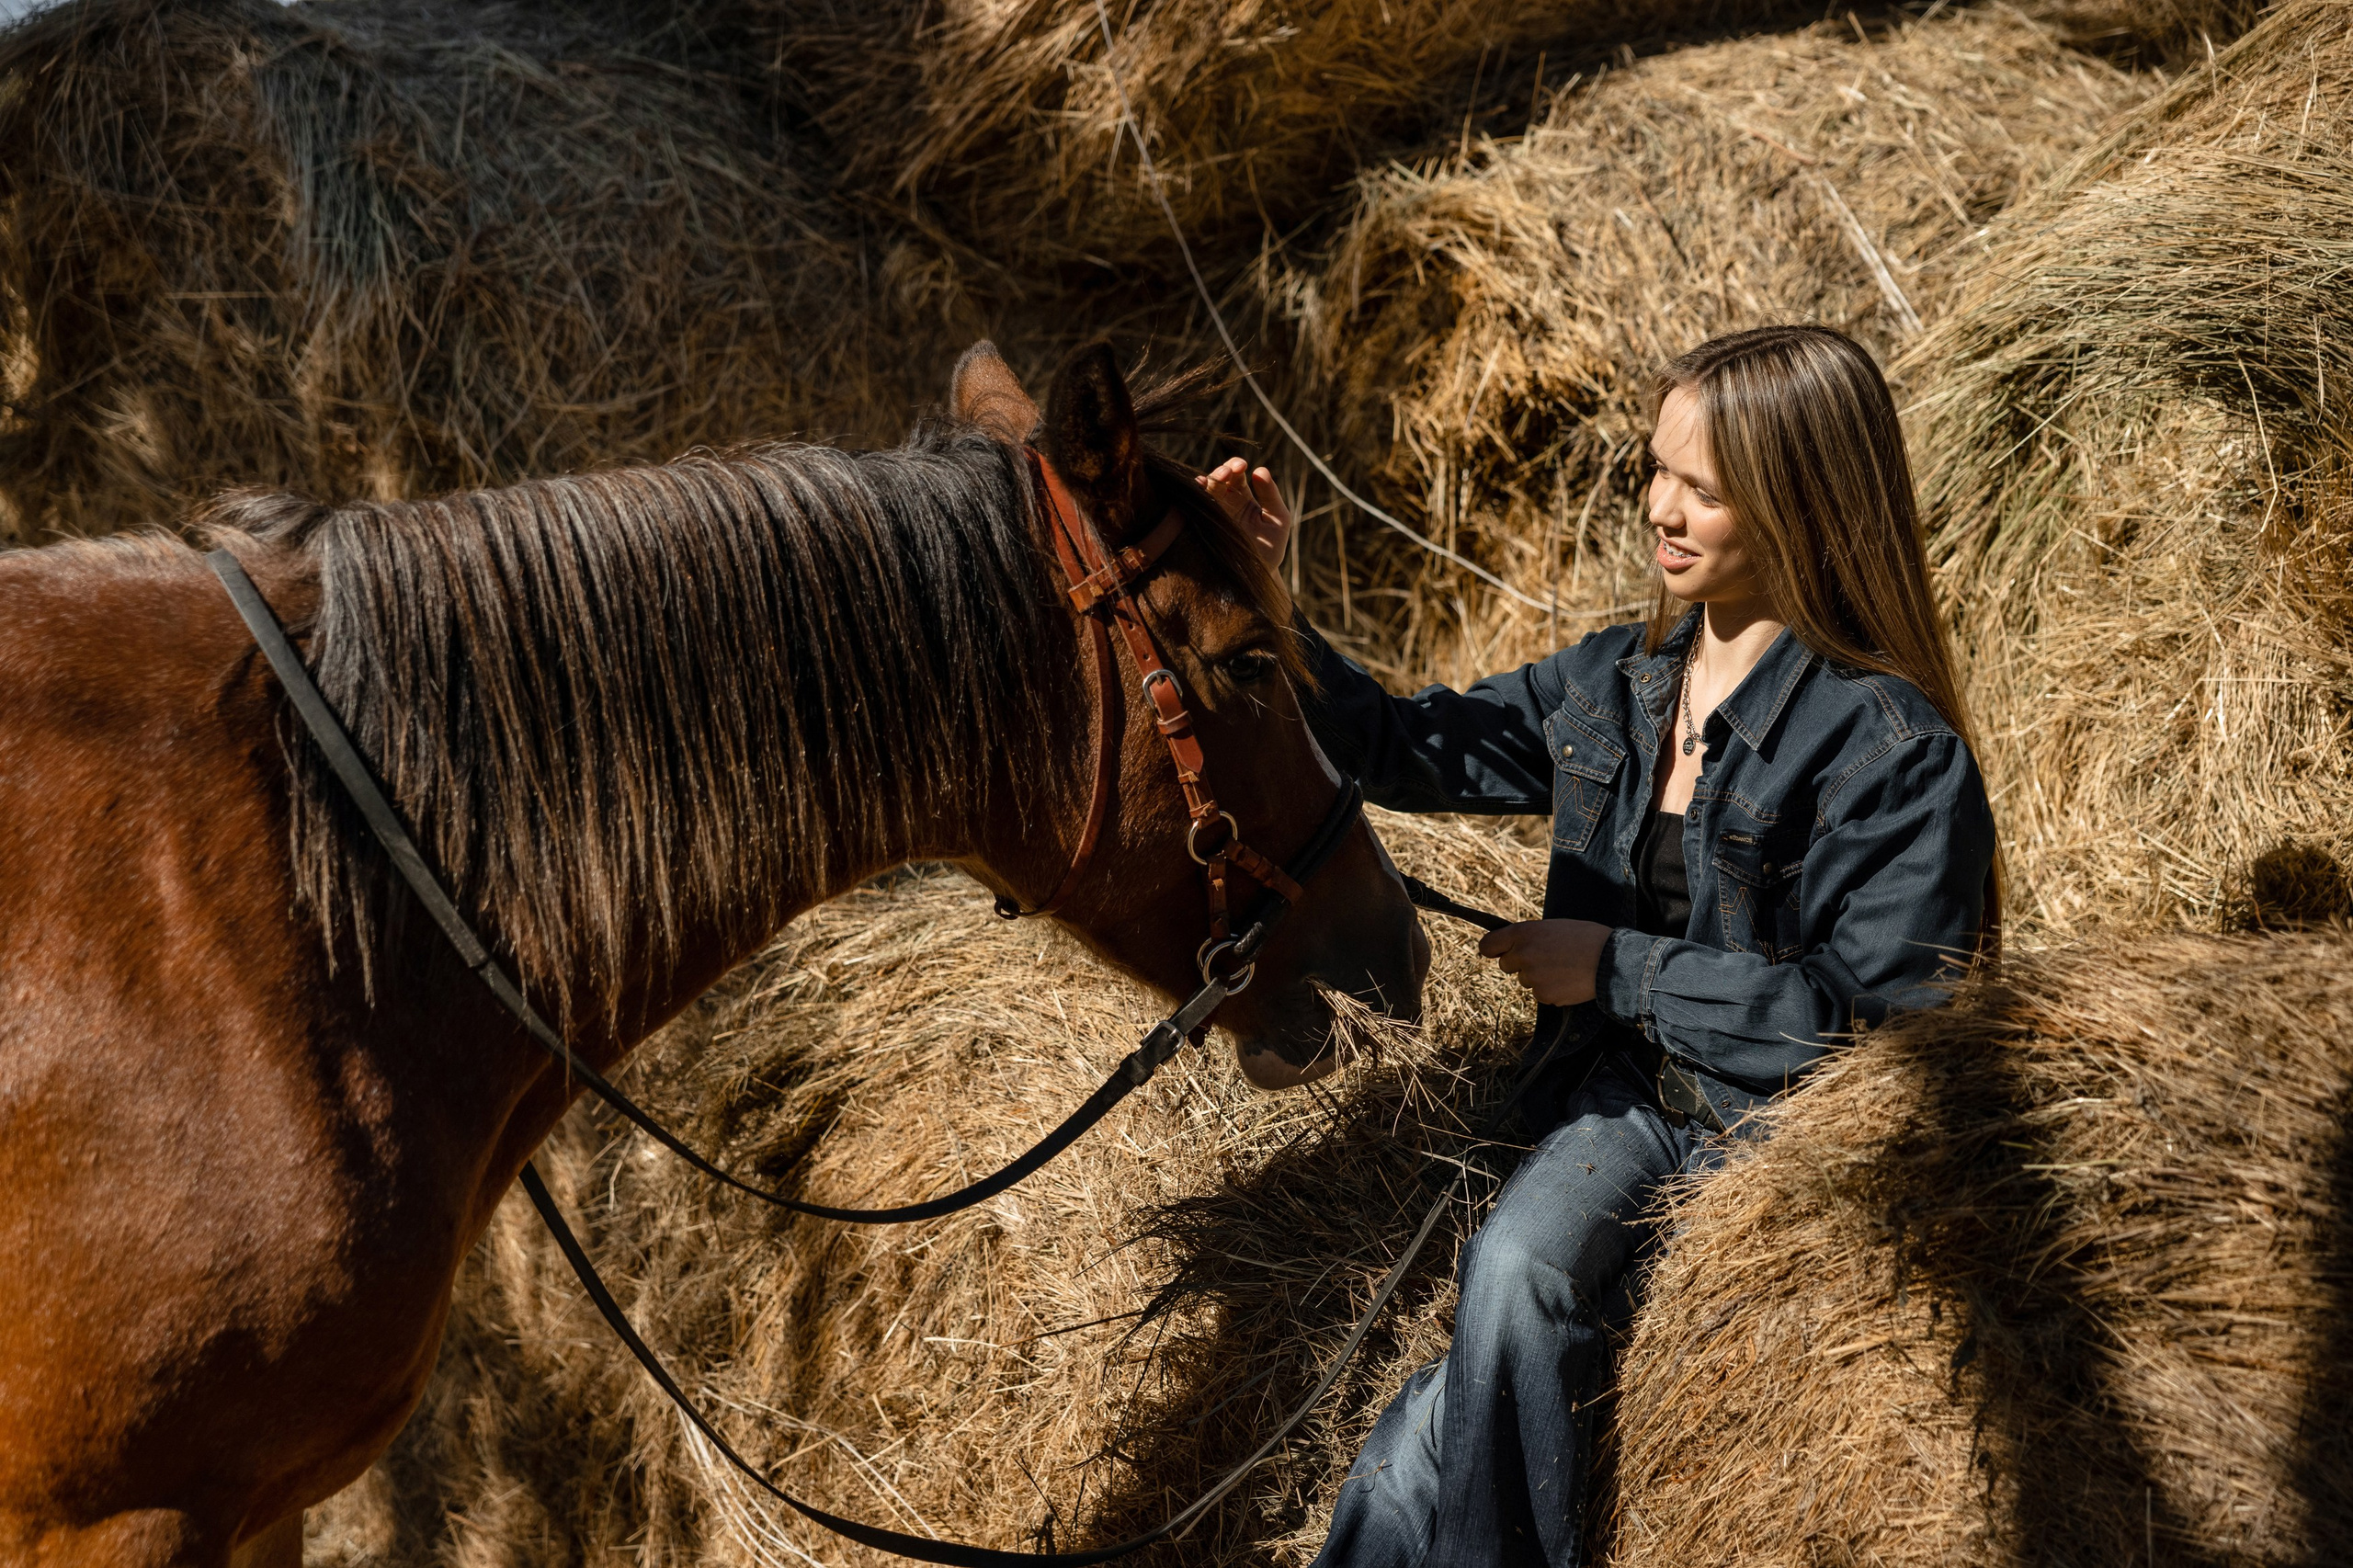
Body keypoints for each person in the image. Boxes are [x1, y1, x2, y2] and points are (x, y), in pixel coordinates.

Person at [1199, 324, 1997, 1567]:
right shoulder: (1622, 682)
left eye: (1705, 488)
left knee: (1518, 1268)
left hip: (1761, 1129)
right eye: (1654, 468)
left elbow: (1875, 1026)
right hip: (1613, 1098)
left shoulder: (1892, 750)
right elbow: (1411, 745)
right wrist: (1270, 606)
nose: (1661, 510)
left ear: (1801, 502)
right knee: (1410, 1459)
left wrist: (1611, 966)